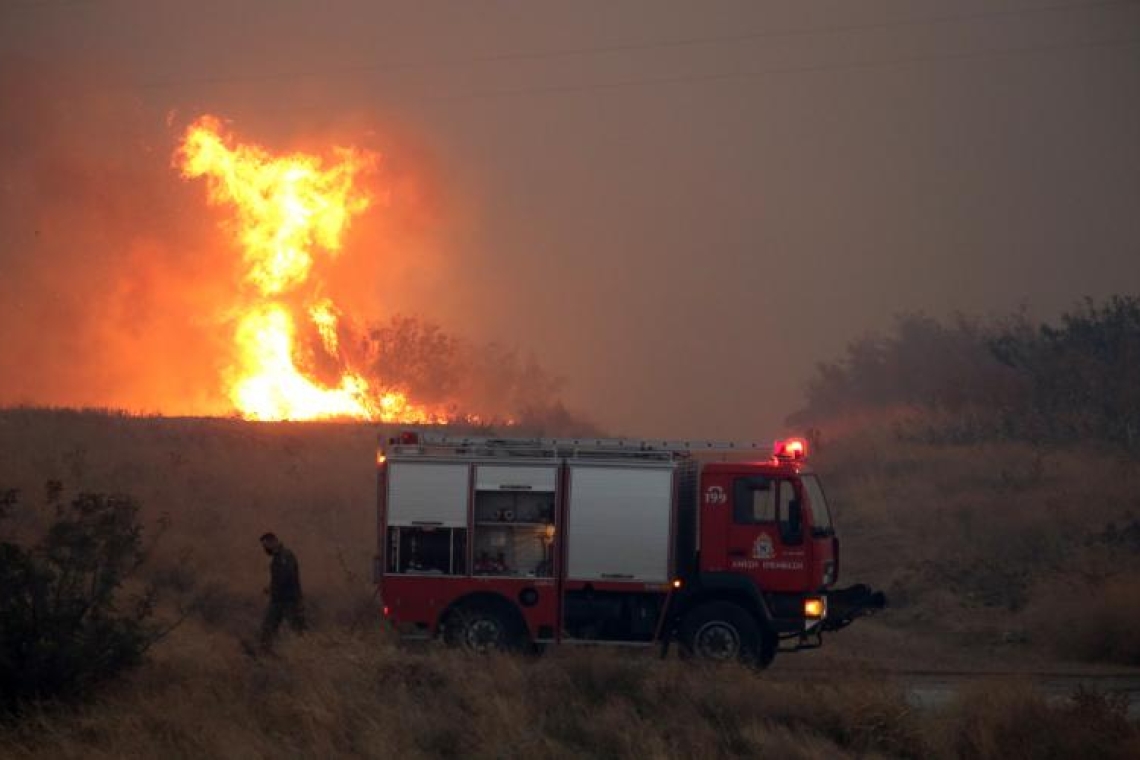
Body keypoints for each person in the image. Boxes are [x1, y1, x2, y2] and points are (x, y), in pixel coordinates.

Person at [259, 532, 306, 648]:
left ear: (273, 542)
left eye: (266, 545)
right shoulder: (278, 557)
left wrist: (273, 588)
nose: (265, 548)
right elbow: (280, 577)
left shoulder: (285, 556)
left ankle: (306, 652)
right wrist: (271, 588)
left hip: (289, 600)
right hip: (278, 600)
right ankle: (264, 653)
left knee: (297, 629)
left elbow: (286, 576)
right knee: (268, 627)